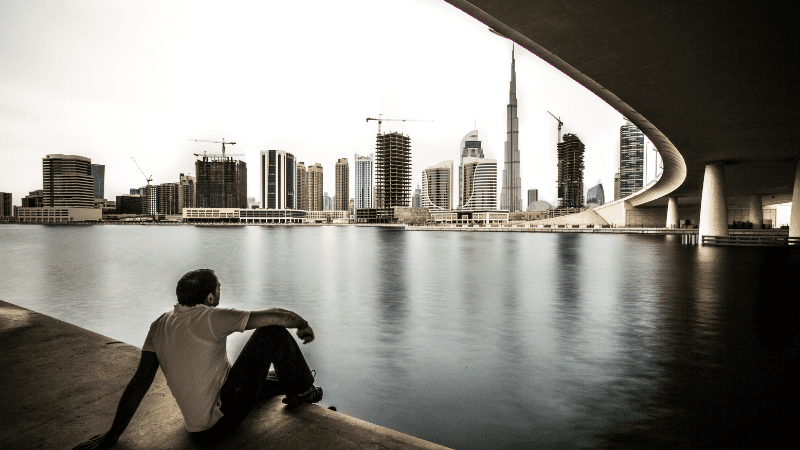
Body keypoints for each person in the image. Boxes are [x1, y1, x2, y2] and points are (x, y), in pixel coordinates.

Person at [73, 269, 322, 449]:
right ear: (210, 298)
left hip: (198, 425)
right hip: (221, 418)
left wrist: (112, 435)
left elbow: (139, 382)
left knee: (270, 377)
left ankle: (289, 385)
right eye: (218, 288)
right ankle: (304, 391)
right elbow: (278, 316)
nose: (219, 293)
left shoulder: (159, 325)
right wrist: (302, 325)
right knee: (270, 335)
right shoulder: (210, 317)